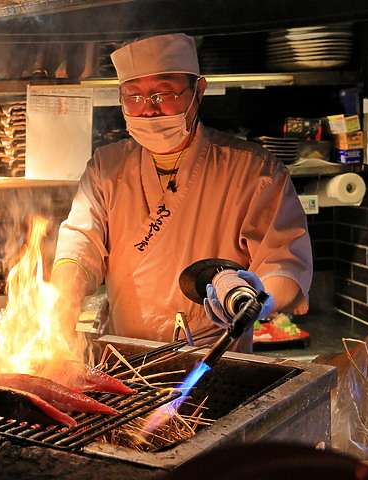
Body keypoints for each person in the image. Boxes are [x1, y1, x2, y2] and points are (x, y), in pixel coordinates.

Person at [51, 33, 312, 353]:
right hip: (123, 360)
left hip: (215, 363)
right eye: (132, 96)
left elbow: (284, 262)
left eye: (163, 93)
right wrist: (61, 304)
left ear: (198, 91)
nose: (147, 110)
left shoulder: (253, 171)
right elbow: (80, 242)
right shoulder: (107, 167)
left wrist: (260, 298)